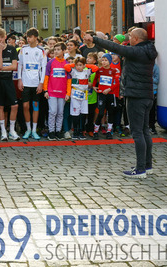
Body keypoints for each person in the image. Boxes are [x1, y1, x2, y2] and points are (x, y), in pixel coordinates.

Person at [83, 28, 157, 179]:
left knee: (137, 133)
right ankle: (147, 166)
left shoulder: (136, 51)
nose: (128, 39)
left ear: (136, 39)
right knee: (144, 131)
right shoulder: (148, 50)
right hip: (147, 95)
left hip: (136, 96)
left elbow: (115, 47)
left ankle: (140, 169)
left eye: (130, 37)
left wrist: (94, 39)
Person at [17, 27, 47, 140]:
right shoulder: (23, 49)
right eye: (27, 37)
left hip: (36, 83)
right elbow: (20, 65)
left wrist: (41, 83)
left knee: (35, 106)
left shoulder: (41, 51)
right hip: (25, 83)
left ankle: (34, 130)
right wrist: (19, 79)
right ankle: (28, 129)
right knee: (25, 106)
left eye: (30, 37)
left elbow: (43, 68)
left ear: (35, 37)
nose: (28, 39)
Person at [0, 28, 20, 141]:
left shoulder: (12, 49)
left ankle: (11, 130)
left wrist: (2, 68)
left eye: (2, 37)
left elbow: (14, 66)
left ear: (5, 37)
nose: (0, 40)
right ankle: (3, 131)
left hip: (9, 80)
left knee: (14, 106)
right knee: (0, 106)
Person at [43, 43, 69, 140]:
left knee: (60, 112)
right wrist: (45, 90)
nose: (56, 51)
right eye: (55, 50)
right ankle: (51, 131)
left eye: (58, 49)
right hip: (52, 92)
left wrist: (68, 93)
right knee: (53, 111)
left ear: (63, 51)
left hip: (62, 93)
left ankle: (58, 130)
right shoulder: (51, 62)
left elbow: (69, 80)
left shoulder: (67, 64)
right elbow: (46, 77)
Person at [93, 53, 121, 140]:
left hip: (110, 94)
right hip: (101, 94)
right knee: (101, 113)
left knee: (111, 112)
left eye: (106, 60)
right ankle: (95, 131)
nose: (104, 62)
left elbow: (117, 83)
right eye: (102, 60)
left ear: (110, 61)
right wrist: (94, 86)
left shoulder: (113, 70)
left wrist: (109, 89)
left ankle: (109, 131)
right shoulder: (99, 70)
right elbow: (95, 79)